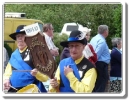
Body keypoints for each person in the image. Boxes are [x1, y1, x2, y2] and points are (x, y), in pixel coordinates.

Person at [3, 25, 48, 92]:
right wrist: (6, 79)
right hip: (14, 90)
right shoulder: (14, 55)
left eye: (23, 36)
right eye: (18, 36)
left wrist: (37, 73)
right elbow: (7, 72)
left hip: (31, 90)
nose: (20, 39)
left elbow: (45, 77)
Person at [90, 25, 111, 92]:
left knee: (96, 84)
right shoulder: (102, 41)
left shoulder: (94, 38)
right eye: (107, 30)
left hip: (96, 63)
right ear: (105, 32)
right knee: (101, 84)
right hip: (101, 64)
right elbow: (96, 54)